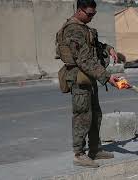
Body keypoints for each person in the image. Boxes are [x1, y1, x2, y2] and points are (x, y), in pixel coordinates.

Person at [55, 0, 120, 168]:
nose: (92, 17)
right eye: (89, 14)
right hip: (79, 77)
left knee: (95, 114)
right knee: (82, 115)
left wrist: (109, 48)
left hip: (89, 77)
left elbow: (95, 46)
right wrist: (106, 77)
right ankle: (79, 153)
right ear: (79, 10)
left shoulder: (84, 28)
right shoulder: (73, 30)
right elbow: (83, 59)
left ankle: (94, 149)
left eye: (94, 14)